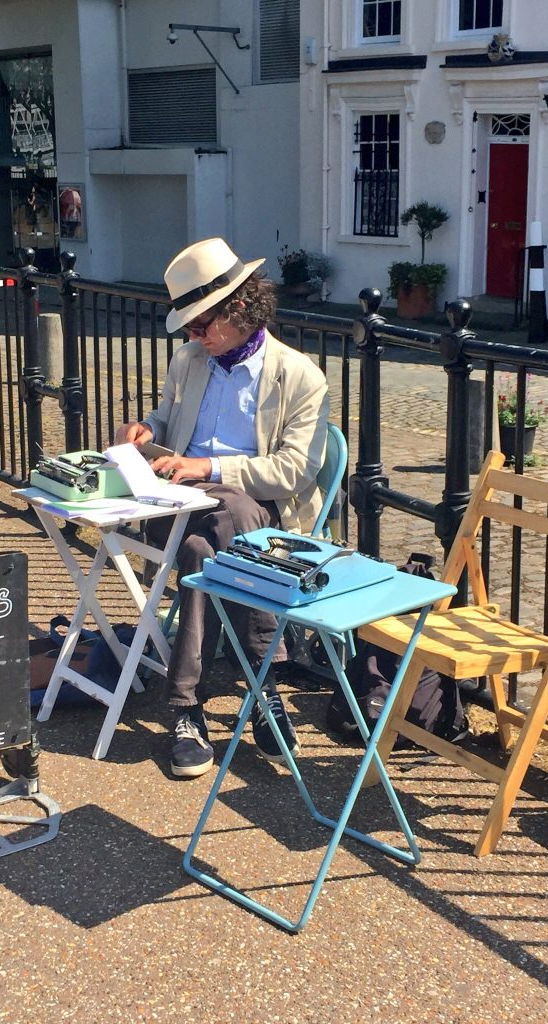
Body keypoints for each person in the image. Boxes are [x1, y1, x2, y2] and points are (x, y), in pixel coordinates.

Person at [115, 237, 329, 778]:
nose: (192, 335)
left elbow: (294, 472)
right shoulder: (189, 361)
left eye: (200, 324)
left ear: (239, 308)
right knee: (214, 524)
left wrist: (208, 469)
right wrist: (148, 430)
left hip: (261, 515)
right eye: (188, 327)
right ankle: (265, 683)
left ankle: (187, 708)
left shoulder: (300, 376)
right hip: (182, 501)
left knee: (200, 549)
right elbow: (167, 421)